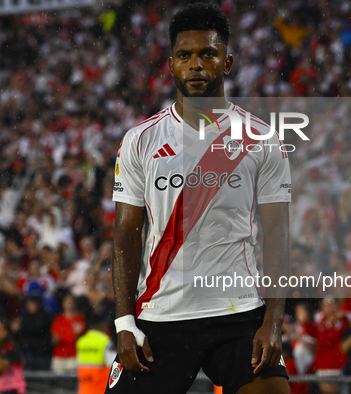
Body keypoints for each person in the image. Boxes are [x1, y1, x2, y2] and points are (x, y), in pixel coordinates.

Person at [108, 3, 290, 394]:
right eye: (185, 55)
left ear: (226, 63)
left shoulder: (262, 140)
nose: (196, 64)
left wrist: (273, 321)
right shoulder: (140, 140)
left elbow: (278, 235)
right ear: (171, 65)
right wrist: (124, 322)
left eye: (207, 54)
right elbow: (126, 234)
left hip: (239, 313)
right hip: (161, 314)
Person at [76, 320, 117, 394]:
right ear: (103, 327)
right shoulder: (105, 340)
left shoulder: (81, 341)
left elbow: (78, 362)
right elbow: (113, 363)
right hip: (100, 388)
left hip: (85, 386)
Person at [51, 294, 86, 373]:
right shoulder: (58, 319)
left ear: (75, 304)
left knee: (73, 381)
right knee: (57, 381)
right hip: (59, 355)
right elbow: (54, 339)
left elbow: (82, 338)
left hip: (73, 355)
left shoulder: (79, 318)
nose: (69, 304)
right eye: (67, 301)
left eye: (71, 301)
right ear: (63, 303)